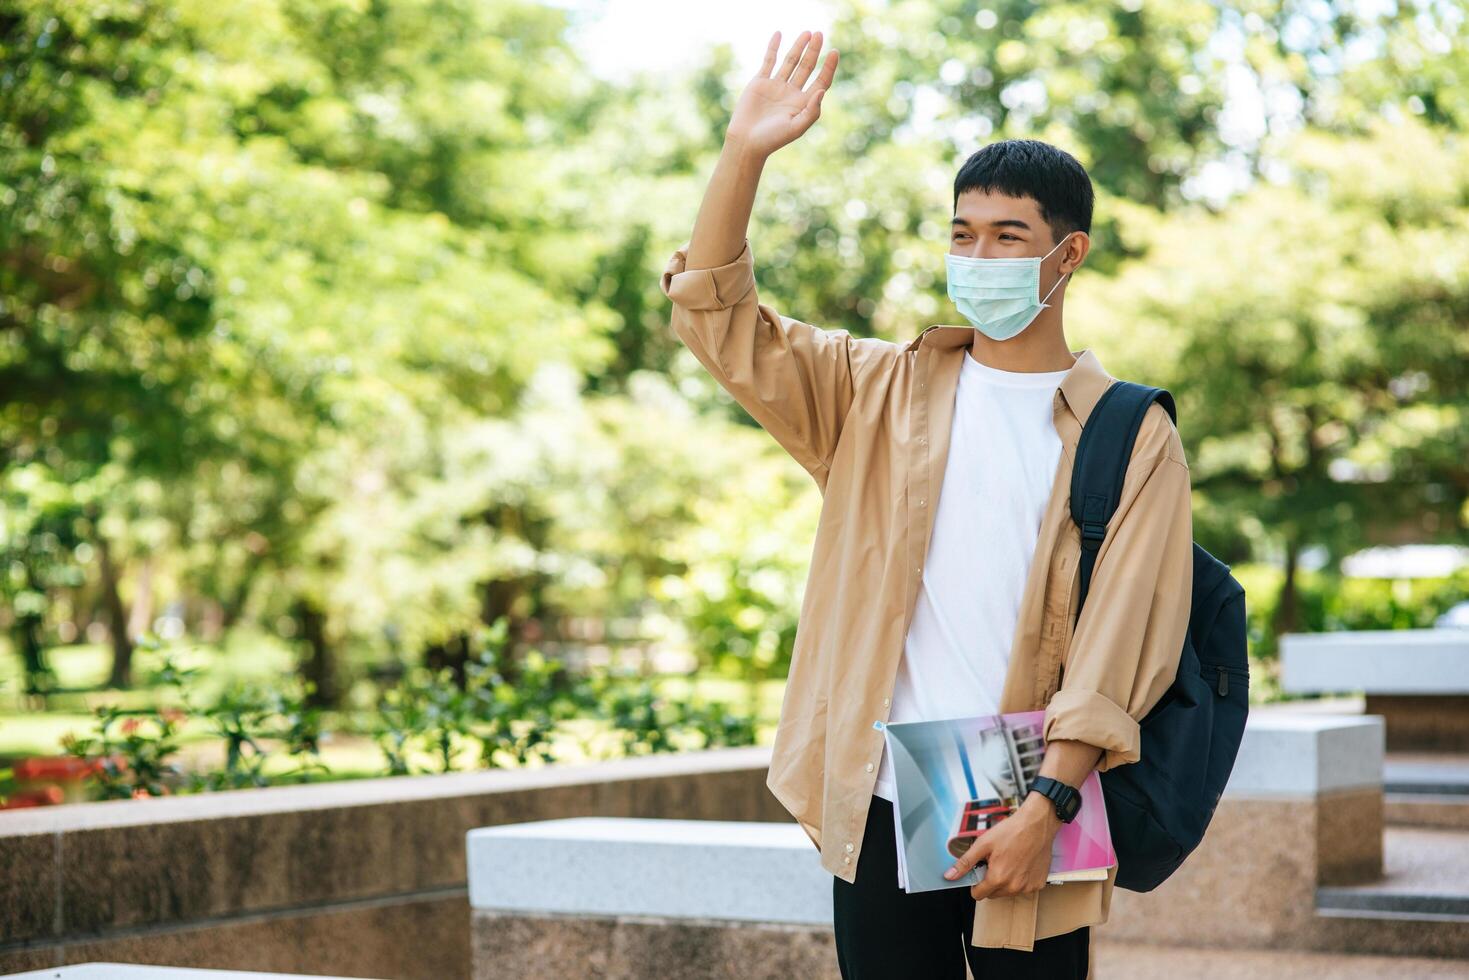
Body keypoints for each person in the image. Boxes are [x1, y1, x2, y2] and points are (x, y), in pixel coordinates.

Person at [658, 29, 1194, 980]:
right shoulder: (876, 391)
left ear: (1066, 254)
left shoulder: (1127, 429)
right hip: (883, 775)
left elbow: (1122, 642)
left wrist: (1051, 806)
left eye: (1006, 236)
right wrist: (744, 152)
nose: (975, 254)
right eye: (961, 232)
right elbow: (717, 317)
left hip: (1024, 777)